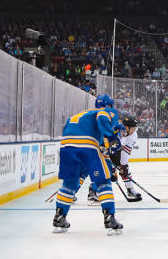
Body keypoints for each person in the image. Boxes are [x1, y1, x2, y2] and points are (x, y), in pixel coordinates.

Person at [53, 94, 124, 235]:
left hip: (66, 147)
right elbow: (103, 118)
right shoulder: (105, 111)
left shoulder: (82, 114)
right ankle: (109, 218)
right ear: (109, 105)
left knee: (69, 184)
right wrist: (113, 138)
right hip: (87, 146)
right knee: (103, 181)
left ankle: (59, 218)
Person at [109, 116, 142, 201]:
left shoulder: (133, 136)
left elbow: (121, 149)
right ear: (127, 127)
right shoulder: (118, 130)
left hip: (117, 155)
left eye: (135, 128)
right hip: (109, 153)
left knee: (126, 171)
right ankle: (92, 193)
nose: (134, 130)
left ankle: (130, 190)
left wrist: (122, 167)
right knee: (104, 173)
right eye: (133, 128)